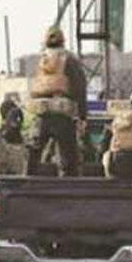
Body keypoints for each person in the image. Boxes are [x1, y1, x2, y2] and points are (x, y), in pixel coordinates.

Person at [28, 26, 87, 176]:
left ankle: (27, 187)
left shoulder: (42, 60)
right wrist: (83, 115)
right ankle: (68, 191)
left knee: (33, 157)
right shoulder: (68, 59)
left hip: (42, 114)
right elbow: (80, 87)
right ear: (63, 41)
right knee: (68, 161)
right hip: (62, 114)